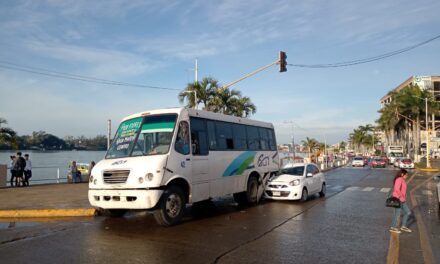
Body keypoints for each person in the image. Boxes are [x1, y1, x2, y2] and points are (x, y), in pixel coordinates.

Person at [390, 169, 412, 234]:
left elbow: (402, 189)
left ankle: (403, 226)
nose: (407, 176)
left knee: (408, 212)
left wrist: (404, 196)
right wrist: (401, 196)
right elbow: (396, 189)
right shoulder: (399, 179)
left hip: (402, 199)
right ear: (402, 174)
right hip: (398, 199)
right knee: (397, 214)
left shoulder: (402, 180)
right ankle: (393, 227)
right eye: (406, 175)